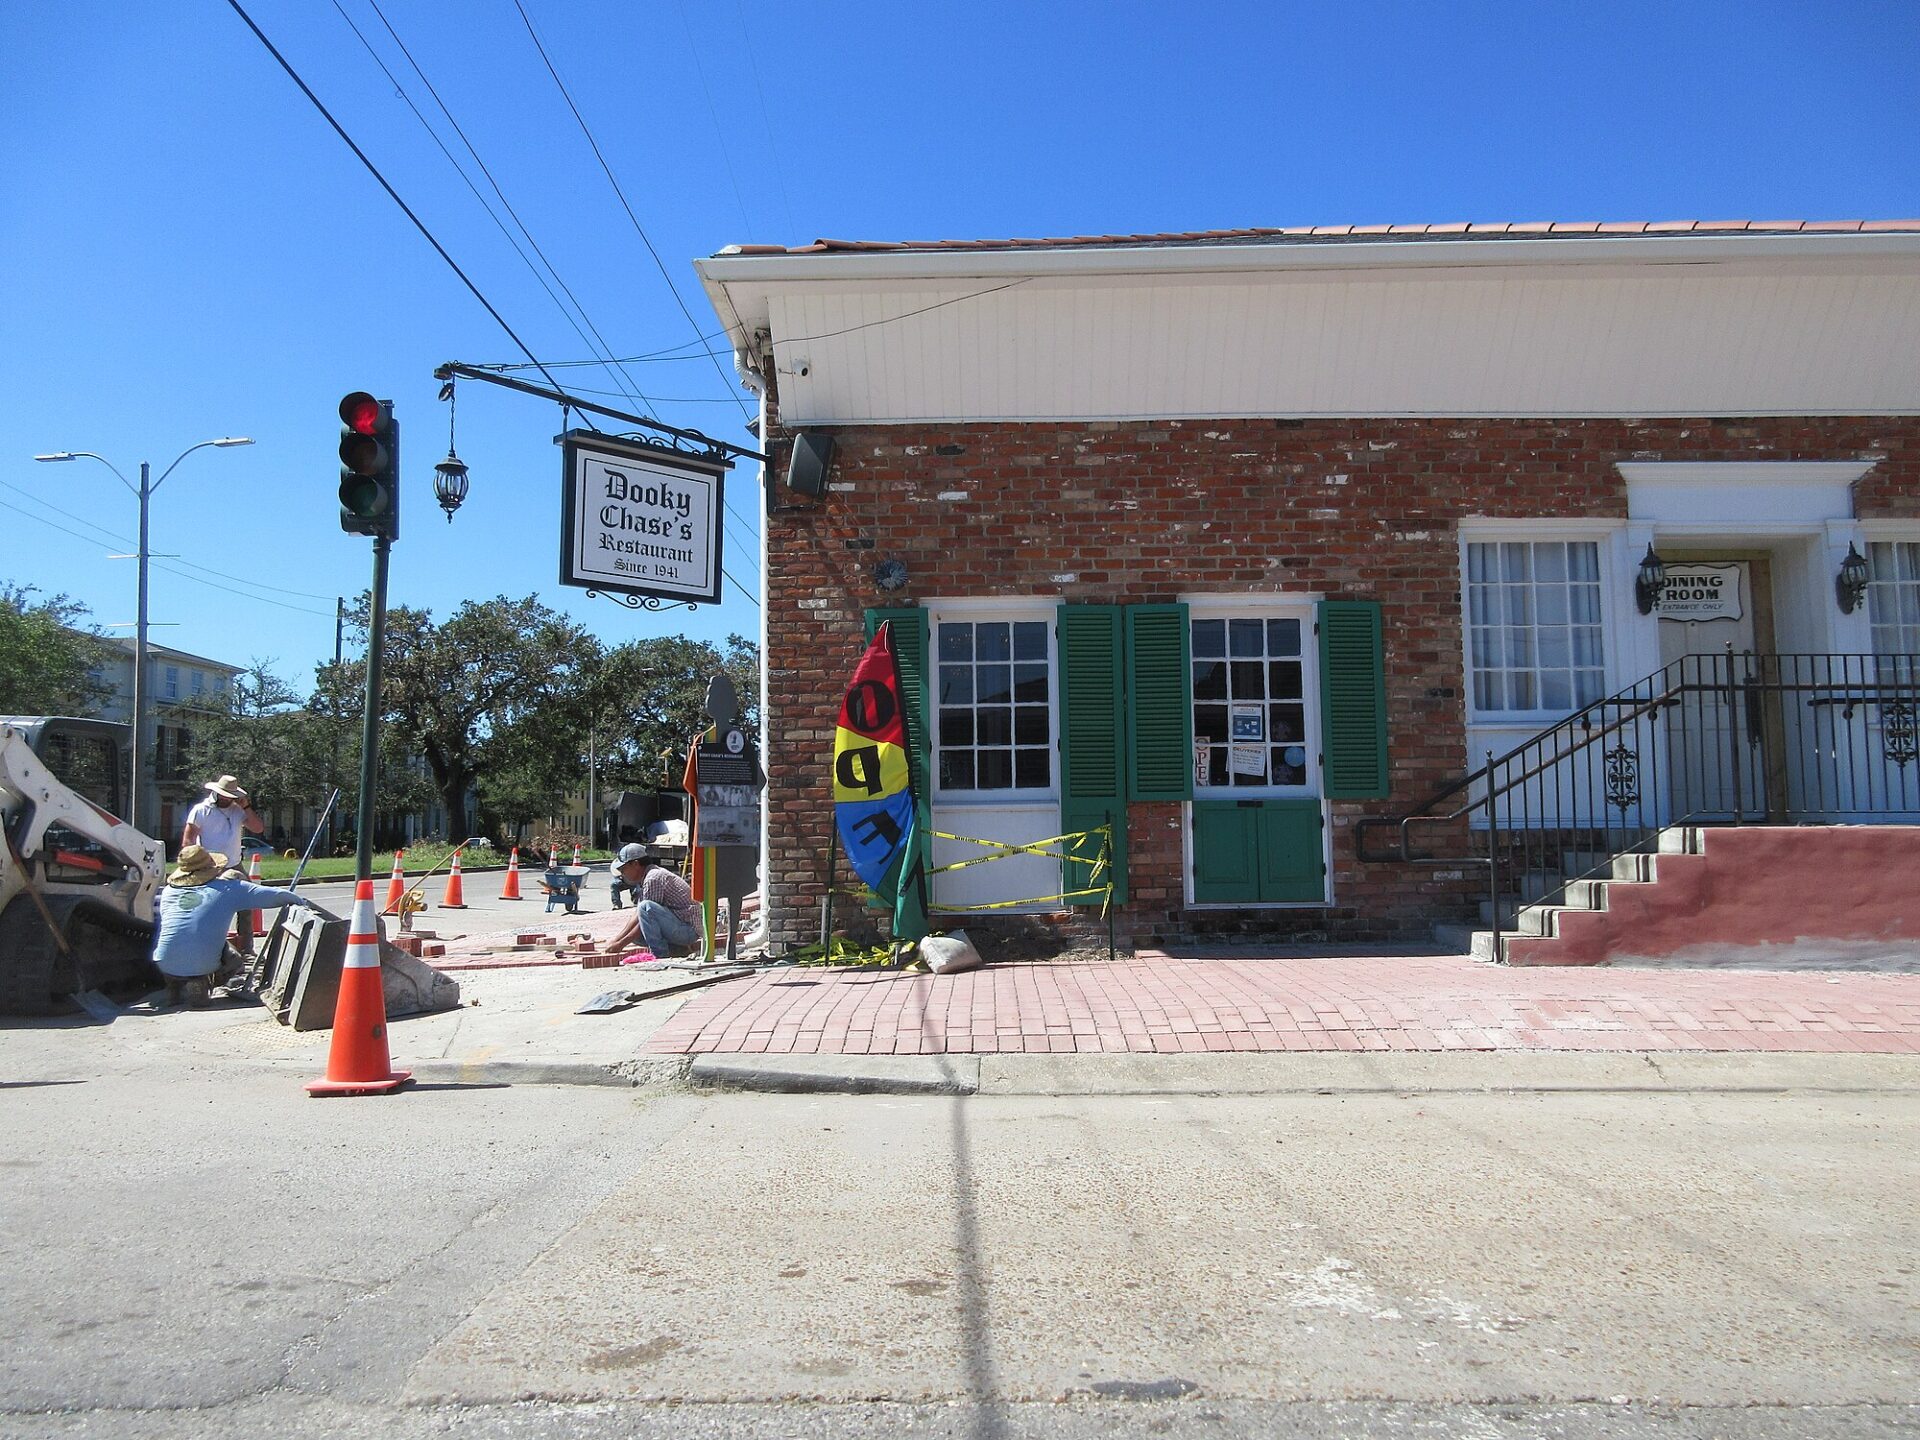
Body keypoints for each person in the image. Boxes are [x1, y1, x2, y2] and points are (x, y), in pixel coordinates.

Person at [151, 844, 311, 1007]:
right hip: (202, 963)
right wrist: (299, 901)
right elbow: (275, 896)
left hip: (164, 962)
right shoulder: (228, 888)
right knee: (233, 956)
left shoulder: (169, 891)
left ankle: (174, 988)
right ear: (211, 867)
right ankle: (201, 982)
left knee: (182, 940)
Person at [182, 774, 266, 956]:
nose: (227, 799)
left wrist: (247, 807)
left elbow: (258, 828)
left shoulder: (238, 811)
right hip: (209, 866)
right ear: (216, 793)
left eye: (231, 796)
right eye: (224, 794)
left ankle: (246, 948)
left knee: (246, 904)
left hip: (234, 864)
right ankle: (208, 946)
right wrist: (192, 860)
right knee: (210, 906)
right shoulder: (201, 810)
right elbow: (188, 838)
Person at [605, 843, 701, 958]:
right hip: (677, 926)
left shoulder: (653, 878)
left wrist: (620, 945)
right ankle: (676, 949)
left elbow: (646, 913)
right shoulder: (647, 878)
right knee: (636, 936)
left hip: (688, 931)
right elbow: (637, 916)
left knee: (646, 907)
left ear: (635, 864)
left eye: (624, 868)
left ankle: (660, 955)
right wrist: (616, 939)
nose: (623, 873)